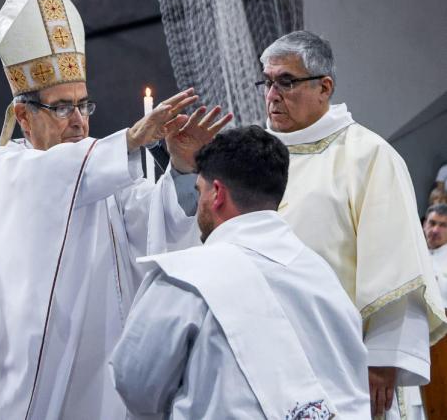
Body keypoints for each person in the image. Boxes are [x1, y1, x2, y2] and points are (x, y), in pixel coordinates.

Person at [0, 0, 231, 420]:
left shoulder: (103, 167)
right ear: (23, 116)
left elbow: (156, 225)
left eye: (83, 105)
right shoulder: (4, 169)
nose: (78, 120)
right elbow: (54, 179)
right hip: (42, 369)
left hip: (108, 367)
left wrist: (184, 167)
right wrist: (130, 139)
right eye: (61, 107)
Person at [109, 126, 370, 419]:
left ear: (217, 193)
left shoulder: (185, 278)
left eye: (199, 191)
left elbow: (135, 382)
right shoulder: (322, 274)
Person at [261, 30, 446, 419]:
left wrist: (381, 360)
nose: (272, 94)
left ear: (324, 87)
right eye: (267, 81)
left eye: (286, 81)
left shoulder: (368, 155)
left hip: (343, 360)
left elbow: (397, 270)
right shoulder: (256, 156)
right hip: (269, 352)